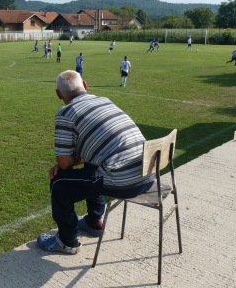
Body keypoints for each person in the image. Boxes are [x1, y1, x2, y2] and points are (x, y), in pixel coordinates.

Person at [36, 70, 154, 254]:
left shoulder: (65, 113)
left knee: (59, 183)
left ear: (58, 94)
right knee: (93, 165)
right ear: (84, 84)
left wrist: (62, 164)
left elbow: (64, 163)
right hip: (148, 174)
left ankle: (67, 241)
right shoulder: (104, 100)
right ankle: (94, 221)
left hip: (124, 182)